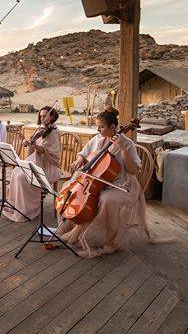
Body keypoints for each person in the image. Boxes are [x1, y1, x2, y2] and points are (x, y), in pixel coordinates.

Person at [57, 106, 154, 258]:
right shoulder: (98, 139)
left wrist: (122, 148)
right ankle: (69, 227)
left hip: (122, 184)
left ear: (113, 127)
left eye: (101, 127)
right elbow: (84, 152)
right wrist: (80, 159)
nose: (98, 130)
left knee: (106, 200)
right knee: (68, 188)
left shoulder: (127, 143)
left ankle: (110, 242)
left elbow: (133, 171)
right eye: (98, 126)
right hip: (98, 182)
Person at [4, 105, 61, 221]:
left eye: (45, 116)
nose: (42, 119)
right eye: (41, 116)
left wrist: (34, 144)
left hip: (48, 166)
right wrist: (30, 141)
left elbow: (51, 153)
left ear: (52, 116)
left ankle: (26, 210)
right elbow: (33, 151)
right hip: (36, 161)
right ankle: (16, 206)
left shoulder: (54, 132)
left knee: (22, 178)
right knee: (16, 172)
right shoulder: (42, 130)